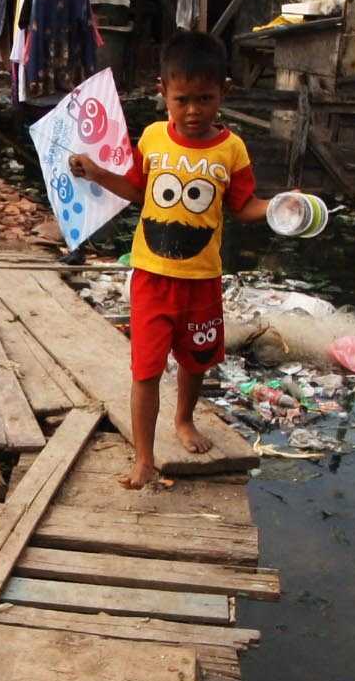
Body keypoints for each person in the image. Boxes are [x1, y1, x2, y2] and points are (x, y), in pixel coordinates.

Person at [67, 30, 266, 489]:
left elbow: (244, 205)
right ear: (163, 94)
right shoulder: (154, 137)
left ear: (224, 94)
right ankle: (144, 458)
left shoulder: (232, 149)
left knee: (196, 361)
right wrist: (97, 172)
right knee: (147, 368)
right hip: (151, 278)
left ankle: (184, 419)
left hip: (202, 280)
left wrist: (279, 209)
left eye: (204, 98)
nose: (193, 110)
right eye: (182, 100)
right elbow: (138, 192)